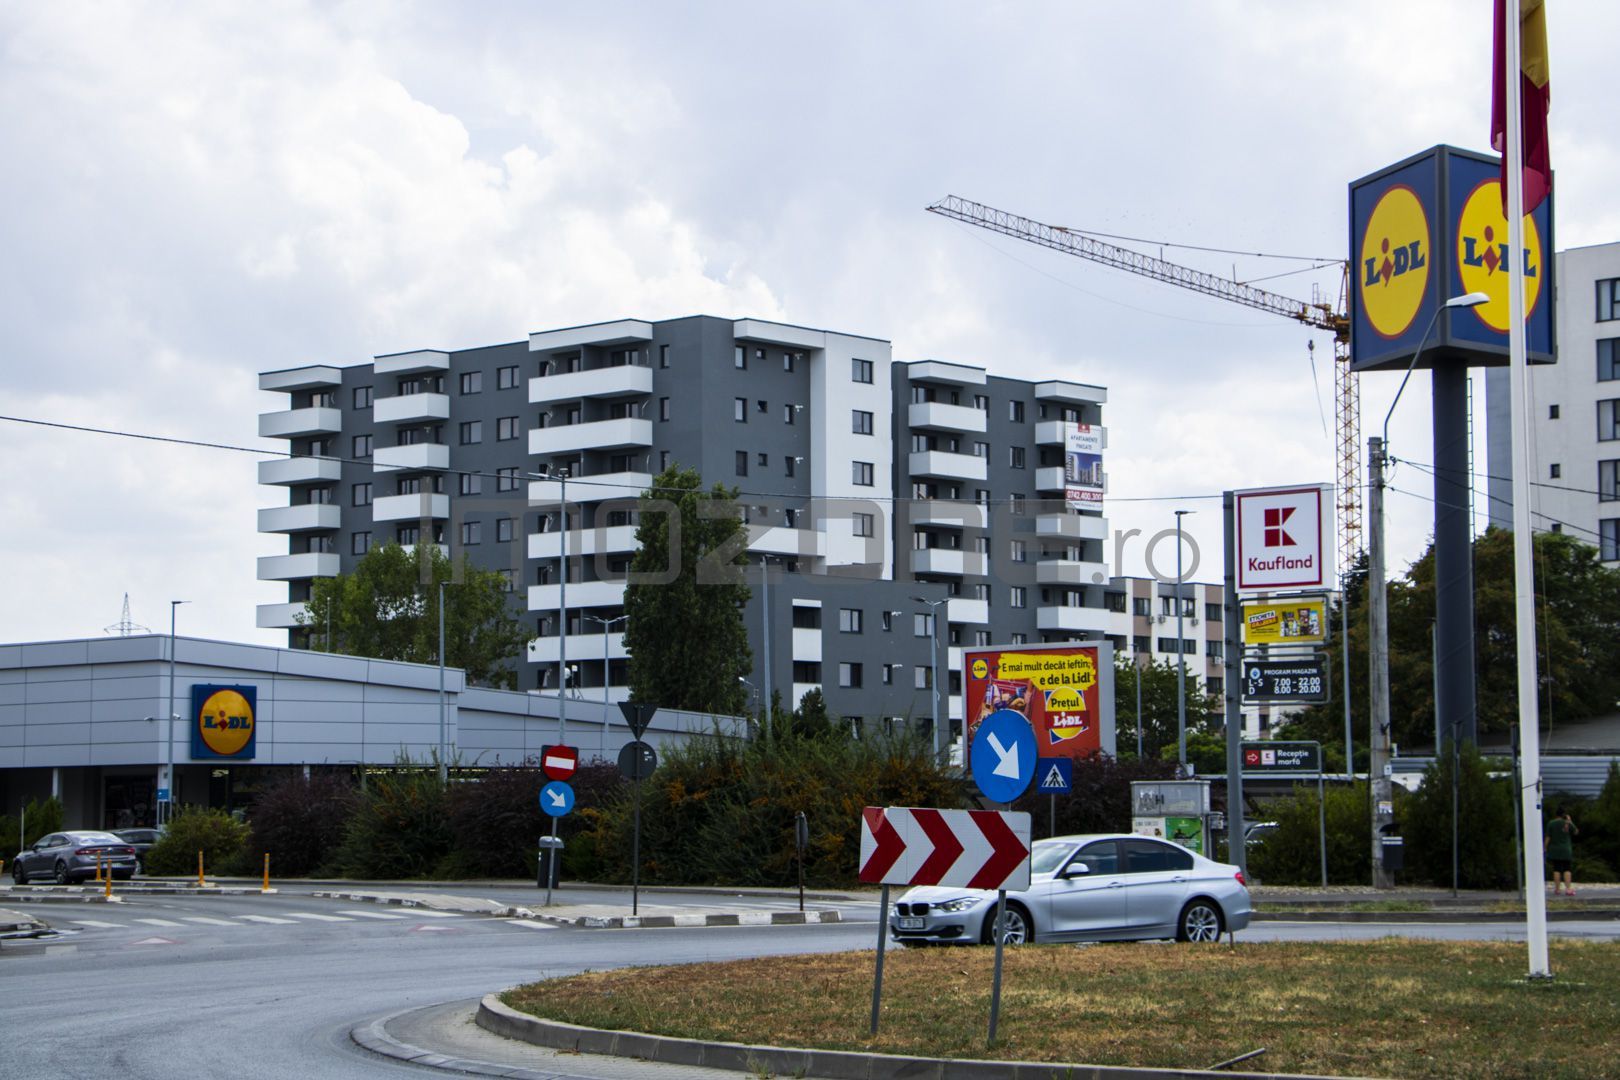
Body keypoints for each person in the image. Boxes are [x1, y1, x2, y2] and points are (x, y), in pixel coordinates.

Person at [1545, 806, 1578, 897]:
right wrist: (1570, 821)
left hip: (1555, 849)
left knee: (1556, 869)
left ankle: (1557, 889)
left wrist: (1545, 847)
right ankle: (1568, 889)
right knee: (1567, 868)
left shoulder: (1551, 823)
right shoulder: (1567, 823)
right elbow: (1576, 832)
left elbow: (1548, 837)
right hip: (1566, 849)